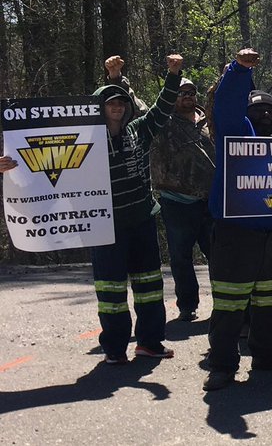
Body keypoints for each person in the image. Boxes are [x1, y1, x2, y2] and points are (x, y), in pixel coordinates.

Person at [204, 49, 272, 391]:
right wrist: (239, 71)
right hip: (236, 233)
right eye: (257, 110)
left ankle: (267, 355)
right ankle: (223, 365)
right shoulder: (235, 132)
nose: (265, 115)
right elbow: (227, 104)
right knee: (229, 304)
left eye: (269, 111)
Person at [84, 54, 184, 365]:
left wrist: (173, 75)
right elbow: (47, 165)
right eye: (111, 103)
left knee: (150, 286)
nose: (117, 107)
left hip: (141, 219)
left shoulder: (139, 130)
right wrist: (11, 167)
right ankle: (114, 348)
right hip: (105, 226)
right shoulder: (83, 142)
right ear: (99, 108)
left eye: (121, 103)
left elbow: (162, 108)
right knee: (112, 292)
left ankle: (149, 343)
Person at [150, 73, 216, 323]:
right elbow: (136, 106)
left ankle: (222, 301)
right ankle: (187, 305)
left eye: (191, 92)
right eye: (181, 92)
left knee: (216, 254)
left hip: (209, 200)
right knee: (181, 257)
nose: (187, 97)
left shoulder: (208, 121)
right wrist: (118, 79)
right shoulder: (162, 122)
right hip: (176, 200)